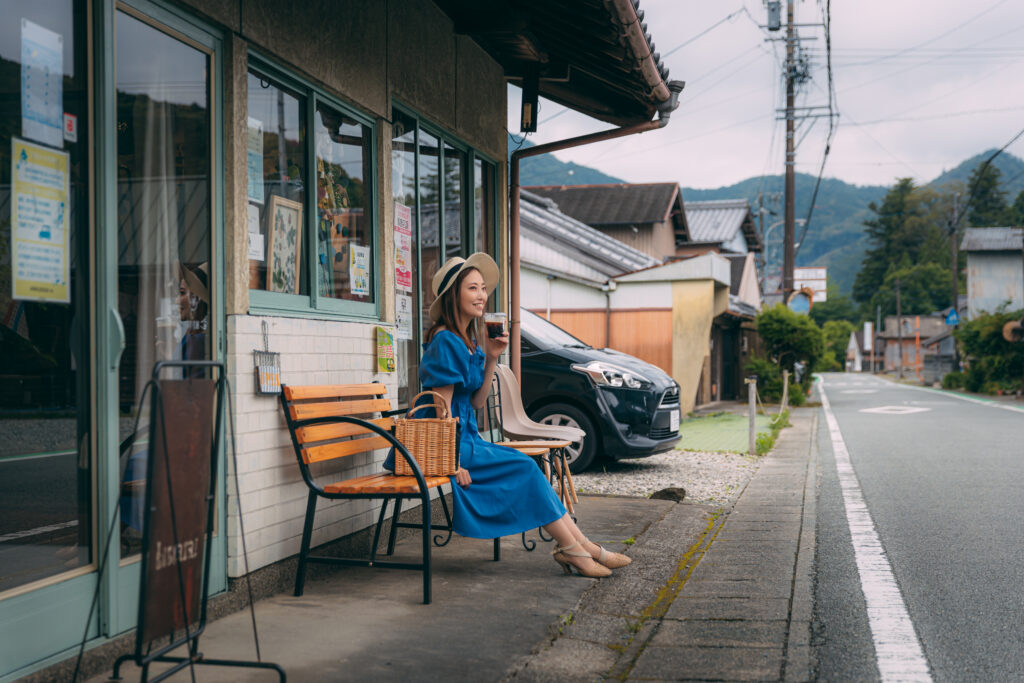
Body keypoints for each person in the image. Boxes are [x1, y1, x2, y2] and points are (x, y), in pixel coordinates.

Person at [404, 253, 630, 577]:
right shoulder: (445, 341)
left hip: (466, 439)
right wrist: (452, 463)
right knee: (525, 466)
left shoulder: (467, 342)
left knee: (528, 466)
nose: (482, 295)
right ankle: (576, 550)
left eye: (483, 288)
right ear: (454, 295)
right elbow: (441, 409)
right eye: (472, 288)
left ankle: (582, 546)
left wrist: (492, 357)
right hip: (445, 446)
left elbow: (477, 402)